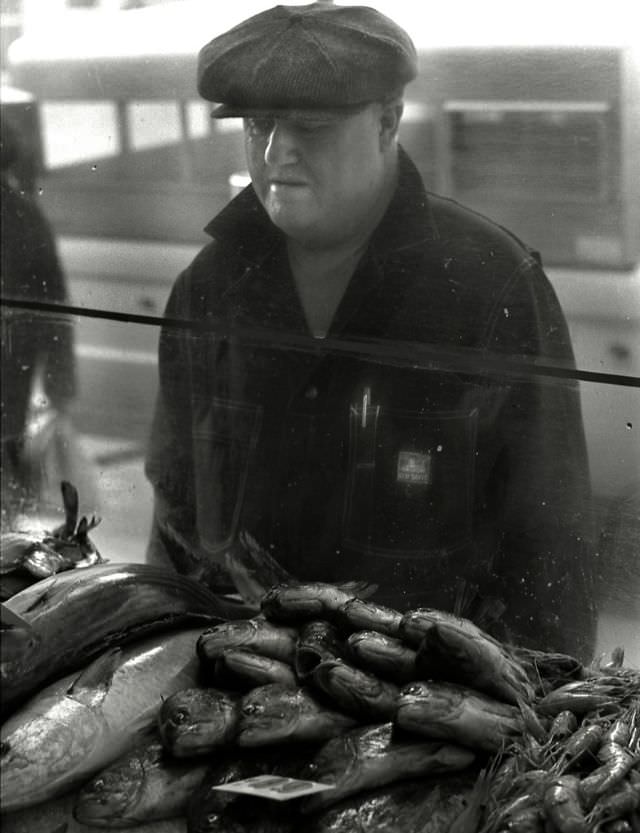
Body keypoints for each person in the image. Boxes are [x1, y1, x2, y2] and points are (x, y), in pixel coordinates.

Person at [145, 2, 596, 660]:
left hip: (427, 708)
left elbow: (549, 551)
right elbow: (175, 526)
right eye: (259, 125)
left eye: (311, 127)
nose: (275, 153)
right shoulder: (209, 287)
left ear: (389, 121)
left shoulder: (488, 286)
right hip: (241, 692)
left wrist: (535, 726)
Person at [1, 116, 76, 521]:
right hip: (14, 383)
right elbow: (56, 304)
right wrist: (59, 386)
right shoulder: (24, 213)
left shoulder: (19, 214)